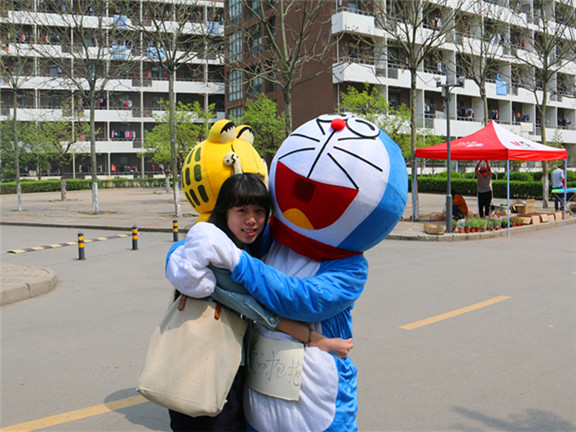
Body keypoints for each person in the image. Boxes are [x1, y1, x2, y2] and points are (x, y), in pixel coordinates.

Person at [167, 173, 353, 432]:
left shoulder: (245, 250)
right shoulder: (219, 258)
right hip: (205, 369)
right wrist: (318, 340)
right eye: (241, 210)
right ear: (224, 212)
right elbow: (260, 311)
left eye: (259, 211)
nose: (251, 219)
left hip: (223, 367)